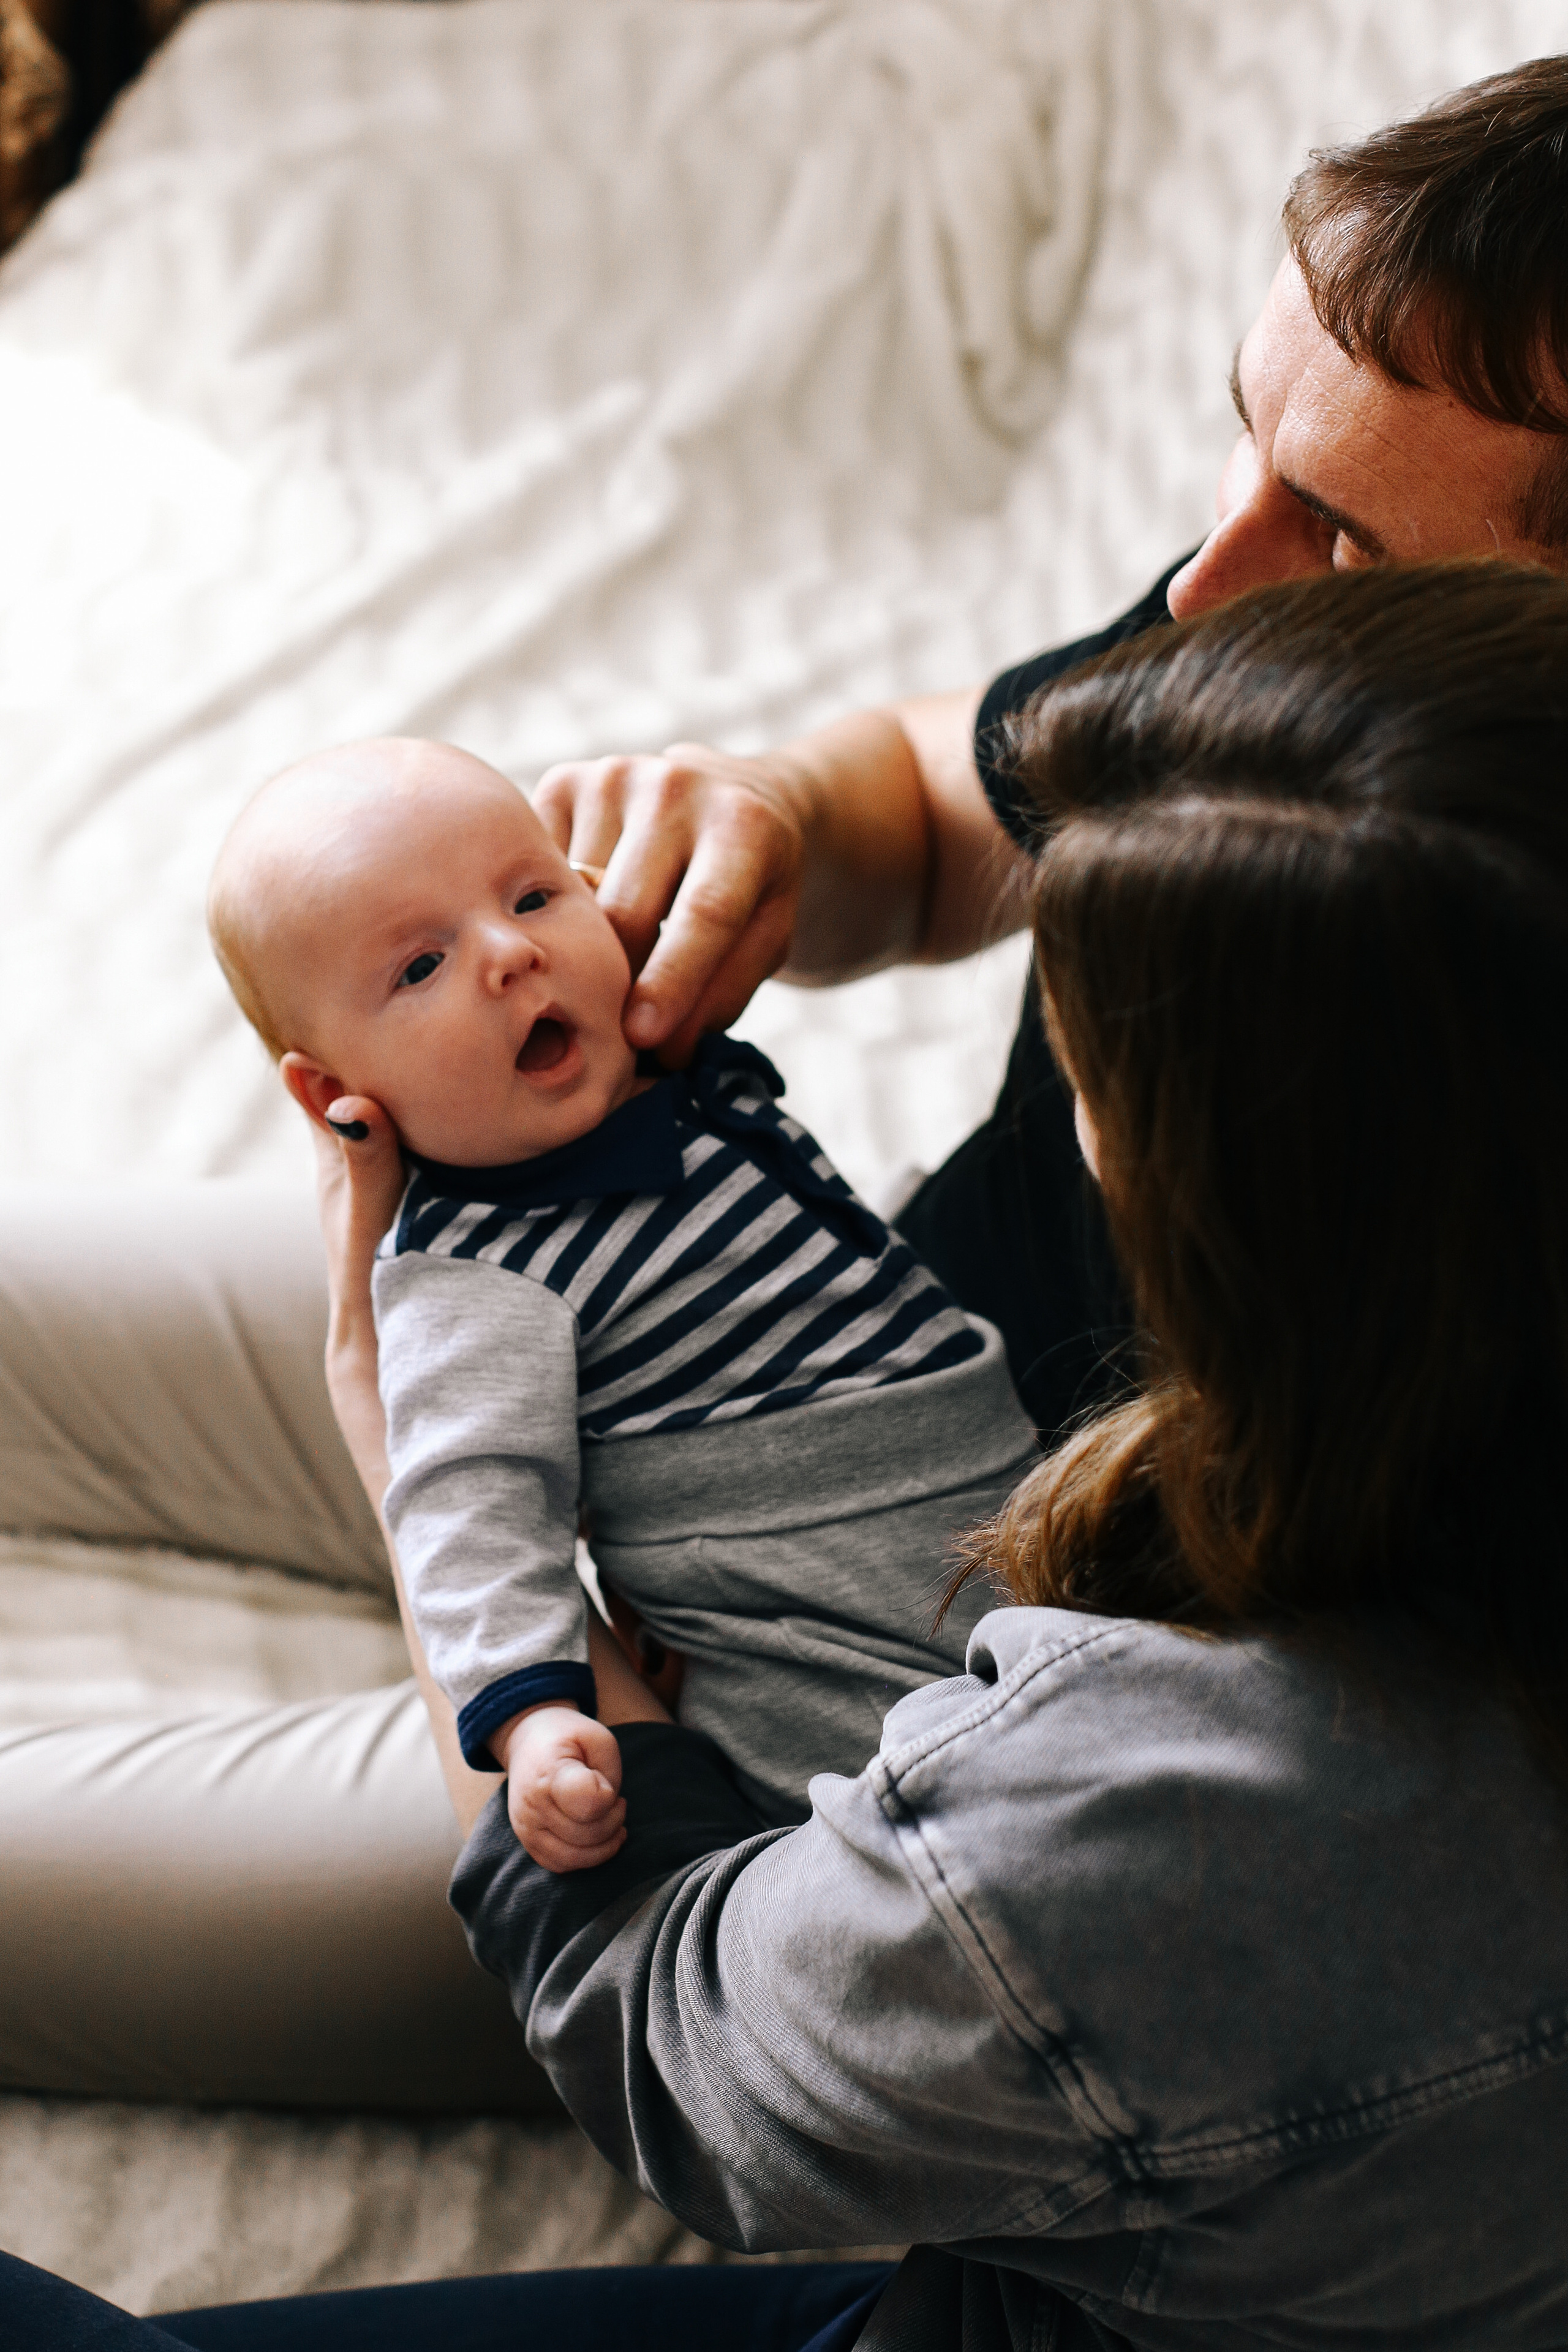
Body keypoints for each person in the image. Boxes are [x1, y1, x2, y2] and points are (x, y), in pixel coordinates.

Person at [16, 560, 1567, 2348]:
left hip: (753, 1717)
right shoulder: (1381, 735)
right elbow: (927, 792)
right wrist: (776, 811)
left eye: (1091, 1082)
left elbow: (676, 2032)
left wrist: (456, 1534)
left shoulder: (1113, 1810)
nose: (1222, 565)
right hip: (687, 1366)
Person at [511, 56, 1568, 1442]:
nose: (1195, 588)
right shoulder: (1238, 621)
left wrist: (404, 1437)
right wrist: (774, 816)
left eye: (1338, 538)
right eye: (1240, 434)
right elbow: (928, 809)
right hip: (840, 1314)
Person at [206, 739, 1035, 1869]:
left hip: (993, 1528)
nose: (509, 952)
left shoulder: (667, 1075)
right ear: (329, 1093)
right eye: (419, 968)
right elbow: (468, 1513)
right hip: (849, 1673)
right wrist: (535, 1718)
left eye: (535, 895)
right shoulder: (479, 1279)